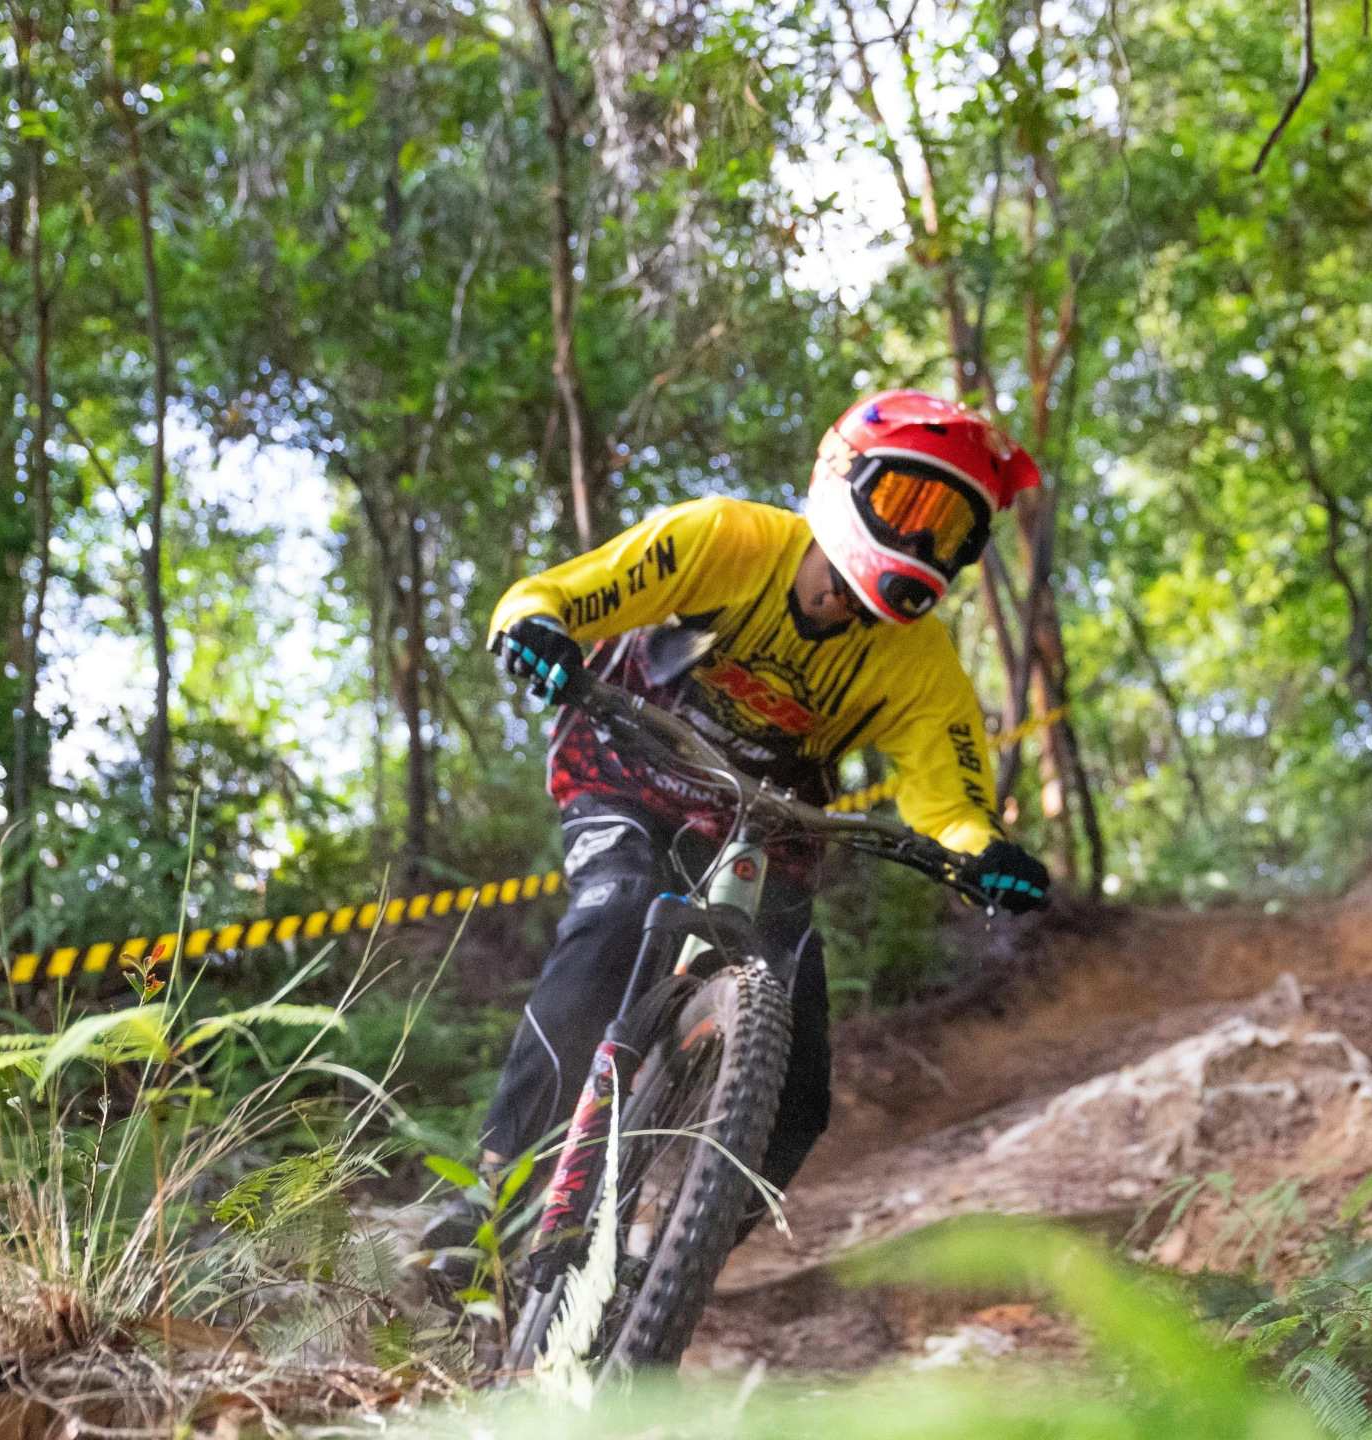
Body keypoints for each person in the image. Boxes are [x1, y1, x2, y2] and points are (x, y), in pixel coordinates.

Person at [420, 390, 1054, 1274]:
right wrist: (534, 630)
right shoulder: (726, 539)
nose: (920, 544)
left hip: (766, 819)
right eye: (908, 506)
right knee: (614, 913)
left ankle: (666, 1276)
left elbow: (946, 805)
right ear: (841, 478)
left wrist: (984, 857)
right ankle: (491, 1193)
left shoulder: (922, 666)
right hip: (624, 765)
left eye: (947, 532)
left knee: (796, 1090)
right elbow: (553, 594)